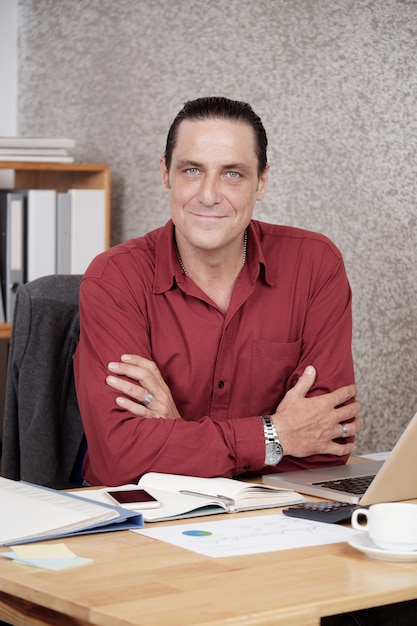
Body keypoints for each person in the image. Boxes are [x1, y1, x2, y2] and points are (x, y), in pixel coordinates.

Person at [74, 96, 362, 488]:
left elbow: (327, 443)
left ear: (261, 182)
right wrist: (275, 436)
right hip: (140, 523)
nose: (208, 195)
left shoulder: (314, 266)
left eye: (232, 174)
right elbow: (119, 458)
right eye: (192, 170)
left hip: (275, 516)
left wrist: (178, 436)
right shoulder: (115, 279)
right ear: (165, 175)